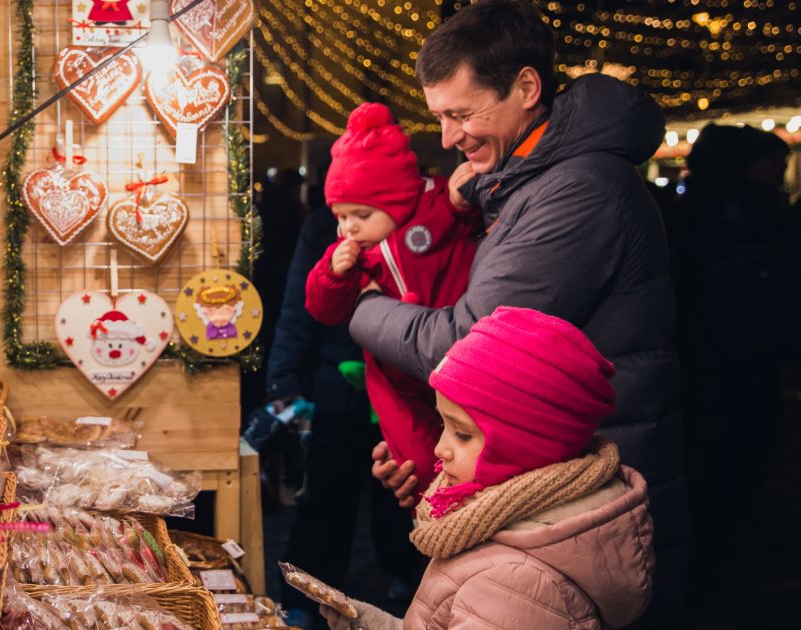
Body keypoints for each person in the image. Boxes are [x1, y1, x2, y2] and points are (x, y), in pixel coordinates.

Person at [348, 0, 687, 617]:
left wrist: (363, 305)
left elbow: (468, 345)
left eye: (461, 113)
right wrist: (435, 446)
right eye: (440, 117)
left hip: (589, 492)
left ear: (526, 87)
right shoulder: (528, 182)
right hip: (549, 480)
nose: (448, 138)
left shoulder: (576, 192)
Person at [321, 307, 654, 630]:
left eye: (462, 433)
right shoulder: (498, 544)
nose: (440, 449)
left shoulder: (513, 584)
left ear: (526, 447)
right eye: (443, 426)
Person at [304, 101, 480, 502]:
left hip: (454, 356)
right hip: (392, 377)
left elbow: (468, 222)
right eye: (341, 216)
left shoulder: (436, 209)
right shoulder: (353, 255)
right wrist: (333, 273)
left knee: (468, 452)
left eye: (361, 214)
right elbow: (322, 308)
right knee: (413, 462)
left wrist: (459, 198)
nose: (348, 227)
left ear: (396, 201)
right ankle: (431, 517)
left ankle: (465, 513)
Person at [266, 197, 426, 624]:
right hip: (335, 386)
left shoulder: (418, 219)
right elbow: (298, 309)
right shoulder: (323, 223)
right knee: (323, 499)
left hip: (406, 386)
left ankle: (412, 582)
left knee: (405, 496)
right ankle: (306, 596)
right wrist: (283, 383)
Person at [671, 124, 797, 603]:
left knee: (714, 466)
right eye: (775, 163)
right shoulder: (751, 215)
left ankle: (710, 569)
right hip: (734, 361)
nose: (780, 173)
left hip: (705, 361)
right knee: (736, 463)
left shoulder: (691, 213)